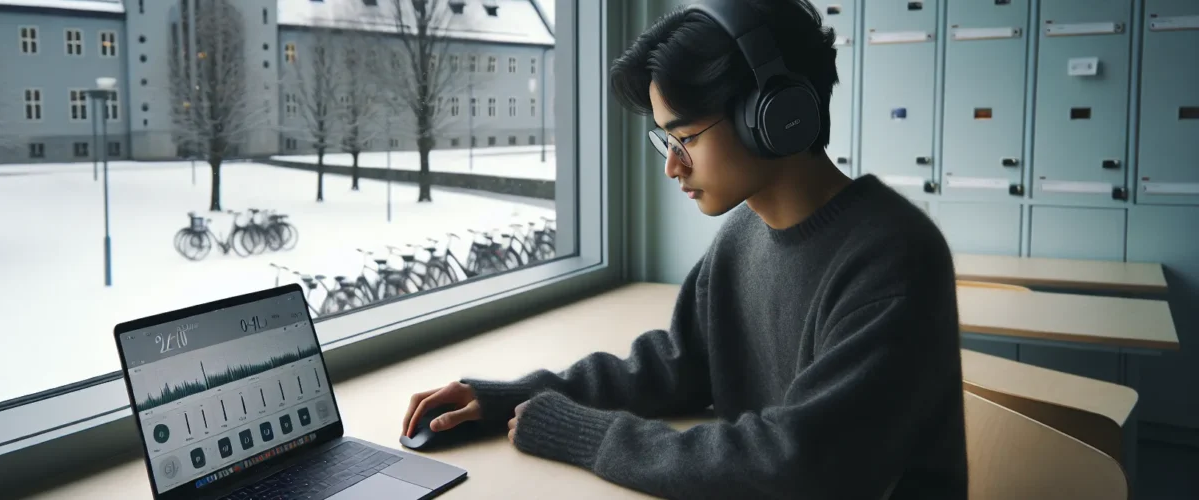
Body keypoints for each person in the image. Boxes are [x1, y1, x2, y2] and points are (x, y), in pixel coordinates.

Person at [401, 0, 969, 498]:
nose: (673, 166)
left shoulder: (894, 260)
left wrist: (583, 432)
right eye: (665, 141)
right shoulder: (740, 240)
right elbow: (674, 368)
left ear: (773, 115)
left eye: (687, 137)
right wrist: (519, 395)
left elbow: (797, 465)